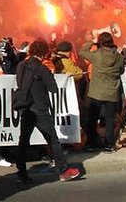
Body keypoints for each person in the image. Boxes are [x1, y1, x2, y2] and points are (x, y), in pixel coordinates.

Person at [14, 39, 81, 183]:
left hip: (25, 107)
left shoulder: (21, 66)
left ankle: (21, 172)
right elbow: (53, 88)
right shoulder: (41, 69)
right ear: (44, 54)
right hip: (40, 108)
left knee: (23, 141)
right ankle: (63, 170)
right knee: (53, 140)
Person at [78, 31, 124, 151]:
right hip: (112, 92)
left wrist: (92, 42)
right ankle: (109, 144)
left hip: (97, 92)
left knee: (92, 119)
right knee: (109, 119)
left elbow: (82, 52)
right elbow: (122, 71)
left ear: (100, 42)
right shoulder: (119, 57)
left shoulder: (96, 55)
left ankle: (91, 143)